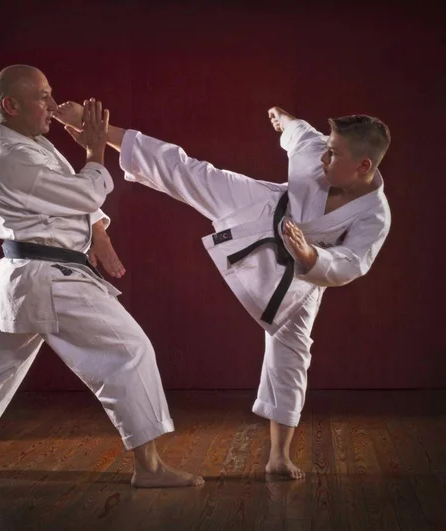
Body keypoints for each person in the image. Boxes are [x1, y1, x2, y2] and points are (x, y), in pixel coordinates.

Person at [0, 65, 204, 488]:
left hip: (29, 278)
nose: (52, 105)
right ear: (10, 105)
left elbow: (73, 196)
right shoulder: (10, 158)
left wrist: (98, 233)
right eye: (43, 97)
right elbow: (86, 191)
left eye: (51, 94)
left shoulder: (29, 142)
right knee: (130, 351)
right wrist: (95, 149)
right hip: (46, 277)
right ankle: (148, 468)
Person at [55, 101, 391, 479]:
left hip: (304, 266)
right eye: (327, 147)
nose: (325, 156)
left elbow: (352, 262)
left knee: (292, 352)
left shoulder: (375, 214)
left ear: (364, 166)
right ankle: (100, 130)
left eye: (335, 153)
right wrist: (283, 119)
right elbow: (299, 130)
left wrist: (311, 255)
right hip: (265, 207)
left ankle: (279, 455)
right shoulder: (315, 149)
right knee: (192, 172)